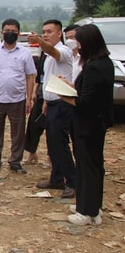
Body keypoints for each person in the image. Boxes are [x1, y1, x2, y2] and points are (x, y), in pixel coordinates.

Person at [58, 24, 113, 225]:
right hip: (96, 123)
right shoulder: (104, 63)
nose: (77, 45)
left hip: (87, 125)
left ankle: (86, 213)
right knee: (91, 165)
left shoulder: (94, 67)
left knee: (88, 166)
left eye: (79, 41)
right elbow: (87, 91)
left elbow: (84, 102)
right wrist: (69, 85)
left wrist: (62, 94)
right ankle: (91, 205)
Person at [27, 19, 75, 199]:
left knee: (61, 144)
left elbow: (53, 51)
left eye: (49, 32)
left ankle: (72, 181)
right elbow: (47, 79)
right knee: (52, 144)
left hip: (63, 104)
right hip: (51, 102)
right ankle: (56, 178)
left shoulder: (63, 51)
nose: (45, 34)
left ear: (59, 33)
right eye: (43, 32)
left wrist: (39, 41)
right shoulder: (47, 56)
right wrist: (46, 100)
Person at [0, 19, 37, 174]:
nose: (10, 33)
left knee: (18, 133)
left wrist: (29, 97)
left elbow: (29, 76)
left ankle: (15, 161)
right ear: (2, 32)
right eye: (7, 30)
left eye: (13, 31)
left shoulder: (25, 53)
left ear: (18, 33)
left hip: (17, 100)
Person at [23, 51, 47, 165]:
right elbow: (39, 77)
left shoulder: (59, 54)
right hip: (40, 95)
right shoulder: (43, 55)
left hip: (53, 97)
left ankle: (51, 157)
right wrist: (34, 92)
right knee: (33, 124)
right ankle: (32, 153)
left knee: (51, 129)